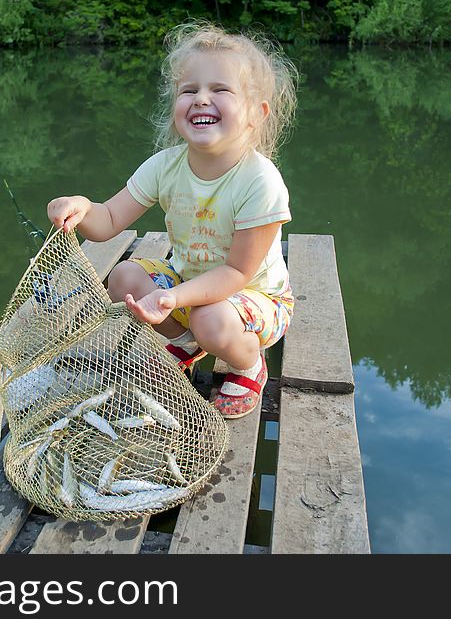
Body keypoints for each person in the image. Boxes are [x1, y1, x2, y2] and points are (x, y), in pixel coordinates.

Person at [47, 22, 298, 419]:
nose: (201, 99)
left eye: (220, 90)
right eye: (189, 90)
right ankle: (185, 341)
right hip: (188, 286)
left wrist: (173, 298)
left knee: (210, 317)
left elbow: (235, 272)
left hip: (254, 298)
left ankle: (247, 364)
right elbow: (110, 218)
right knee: (124, 277)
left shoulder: (260, 181)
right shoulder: (165, 166)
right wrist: (80, 208)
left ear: (255, 114)